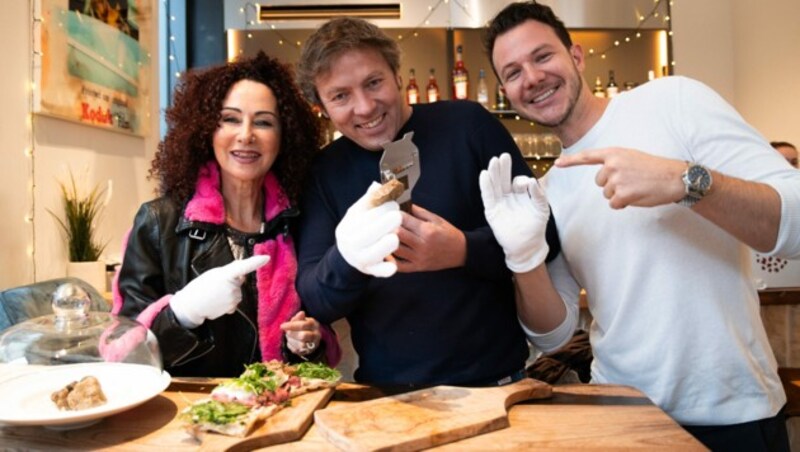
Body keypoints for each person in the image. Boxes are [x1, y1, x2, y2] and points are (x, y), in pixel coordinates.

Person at [481, 2, 800, 450]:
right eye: (512, 72)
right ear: (506, 92)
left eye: (542, 56)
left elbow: (796, 222)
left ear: (576, 56)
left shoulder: (673, 100)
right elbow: (552, 332)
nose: (531, 77)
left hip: (734, 411)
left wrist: (685, 182)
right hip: (622, 416)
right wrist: (523, 256)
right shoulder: (547, 192)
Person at [294, 17, 563, 387]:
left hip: (499, 384)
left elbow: (545, 235)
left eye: (374, 82)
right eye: (340, 96)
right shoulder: (323, 173)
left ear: (398, 76)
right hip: (388, 395)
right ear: (321, 107)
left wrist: (463, 250)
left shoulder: (468, 125)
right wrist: (348, 258)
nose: (365, 106)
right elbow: (316, 299)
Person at [114, 52, 341, 377]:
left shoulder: (300, 222)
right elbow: (122, 352)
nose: (246, 134)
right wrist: (184, 313)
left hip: (279, 413)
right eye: (231, 119)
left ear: (285, 136)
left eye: (263, 122)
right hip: (188, 414)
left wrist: (311, 343)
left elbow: (320, 334)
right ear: (207, 129)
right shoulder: (158, 222)